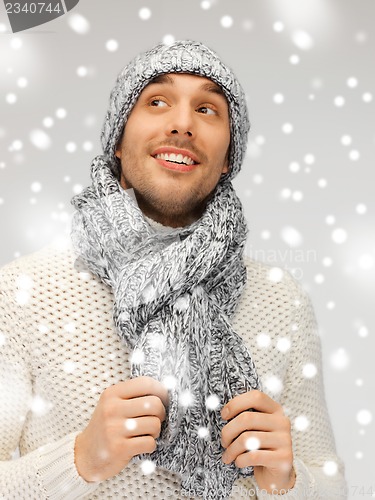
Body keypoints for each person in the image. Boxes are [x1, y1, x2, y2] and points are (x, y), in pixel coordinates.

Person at [0, 40, 346, 499]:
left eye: (207, 109)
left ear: (228, 160)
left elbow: (332, 485)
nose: (182, 124)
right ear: (118, 143)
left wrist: (288, 480)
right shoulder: (24, 290)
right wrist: (80, 458)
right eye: (157, 101)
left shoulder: (282, 298)